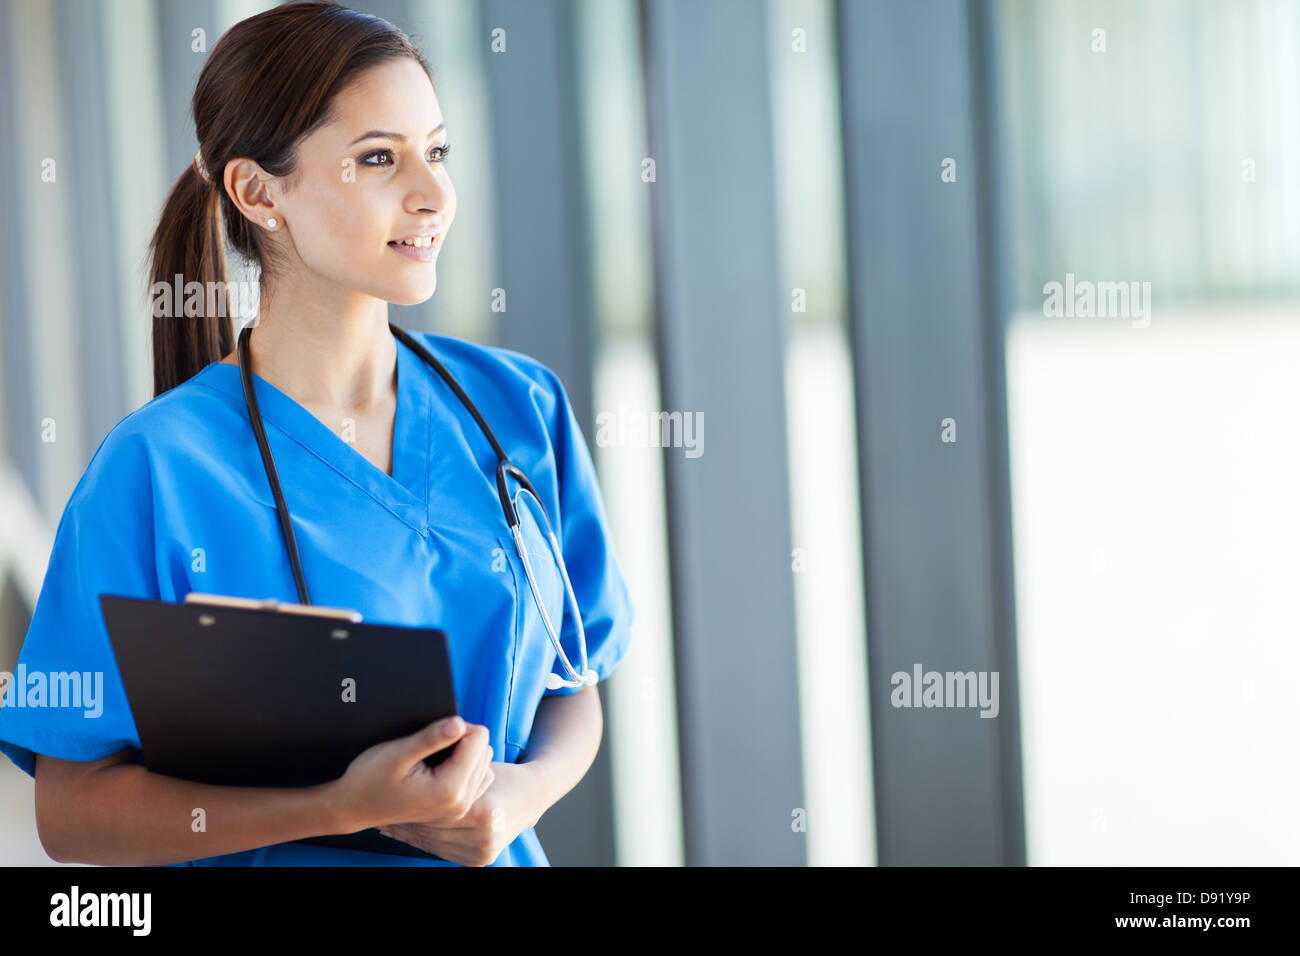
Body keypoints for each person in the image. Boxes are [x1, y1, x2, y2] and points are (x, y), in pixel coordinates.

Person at [0, 0, 634, 867]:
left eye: (436, 152)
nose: (433, 194)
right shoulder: (156, 471)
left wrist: (523, 794)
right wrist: (333, 808)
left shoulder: (519, 407)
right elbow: (69, 813)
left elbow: (575, 681)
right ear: (258, 193)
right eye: (379, 158)